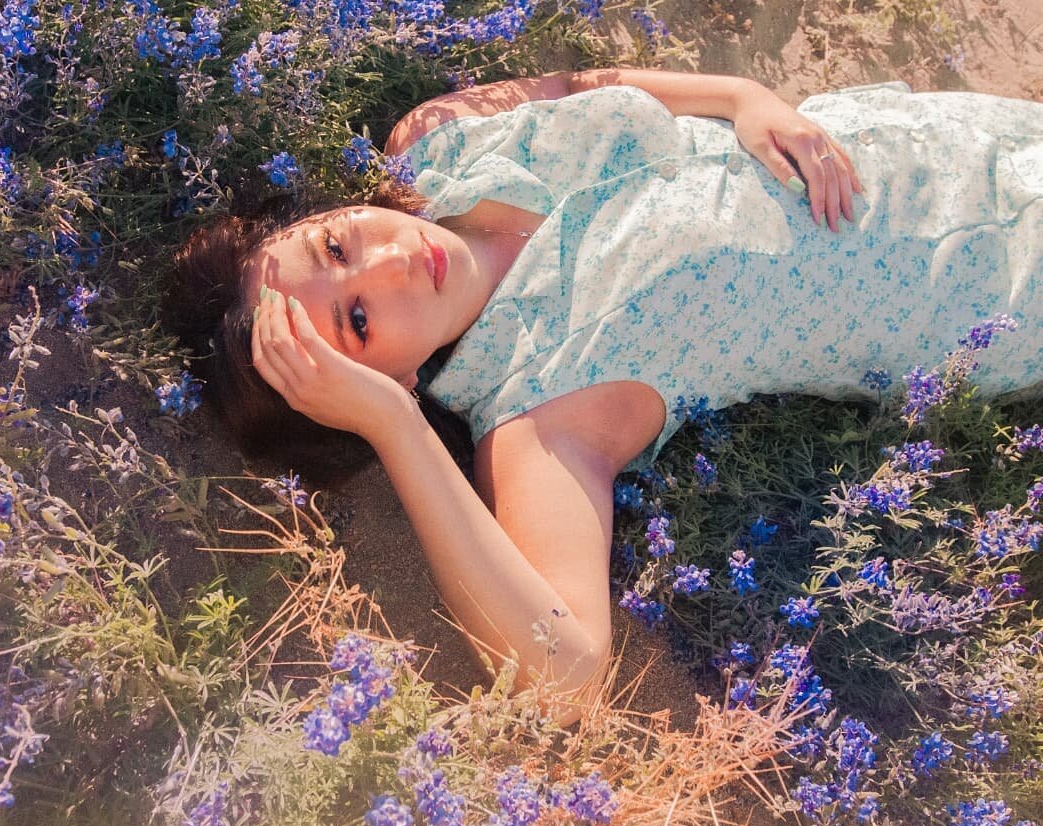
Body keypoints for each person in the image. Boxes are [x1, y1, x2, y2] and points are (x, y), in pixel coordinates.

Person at [166, 68, 1043, 724]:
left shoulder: (435, 141)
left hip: (944, 139)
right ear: (383, 379)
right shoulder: (541, 410)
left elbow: (587, 84)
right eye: (358, 320)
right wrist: (396, 427)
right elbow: (565, 671)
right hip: (993, 287)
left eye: (334, 246)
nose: (391, 262)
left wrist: (741, 98)